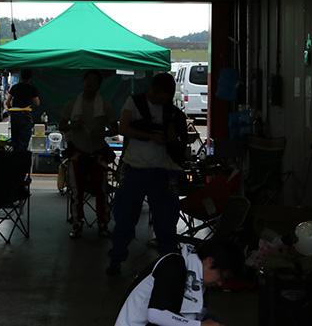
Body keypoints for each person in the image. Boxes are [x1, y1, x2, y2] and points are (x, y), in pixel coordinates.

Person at [108, 72, 187, 274]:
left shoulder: (169, 110)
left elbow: (175, 135)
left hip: (161, 170)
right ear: (153, 90)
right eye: (161, 97)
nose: (163, 102)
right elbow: (123, 128)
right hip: (134, 168)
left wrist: (171, 137)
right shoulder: (134, 103)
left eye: (167, 98)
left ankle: (169, 261)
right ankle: (116, 258)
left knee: (165, 221)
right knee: (125, 218)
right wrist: (151, 136)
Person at [114, 240, 243, 326]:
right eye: (222, 277)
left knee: (214, 321)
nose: (220, 284)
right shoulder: (174, 265)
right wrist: (199, 325)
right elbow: (155, 314)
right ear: (210, 261)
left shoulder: (195, 274)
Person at [59, 69, 118, 239]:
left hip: (97, 154)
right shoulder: (72, 105)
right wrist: (73, 126)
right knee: (77, 191)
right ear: (83, 82)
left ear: (99, 85)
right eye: (88, 80)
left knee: (101, 191)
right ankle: (77, 223)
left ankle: (103, 223)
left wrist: (102, 134)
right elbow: (62, 125)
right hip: (77, 154)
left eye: (94, 80)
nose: (91, 83)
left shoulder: (104, 106)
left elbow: (115, 128)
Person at [5, 69, 40, 152]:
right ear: (30, 78)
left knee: (15, 137)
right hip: (25, 115)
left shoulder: (15, 87)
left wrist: (9, 108)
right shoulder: (32, 89)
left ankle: (15, 155)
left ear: (21, 77)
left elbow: (7, 102)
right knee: (24, 138)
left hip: (15, 115)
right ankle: (22, 156)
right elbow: (37, 103)